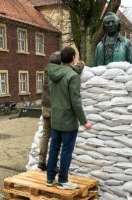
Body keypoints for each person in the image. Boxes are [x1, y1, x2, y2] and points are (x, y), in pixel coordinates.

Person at [46, 47, 91, 190]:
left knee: (53, 149)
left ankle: (50, 178)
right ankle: (63, 181)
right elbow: (76, 101)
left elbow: (67, 72)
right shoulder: (72, 76)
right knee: (66, 151)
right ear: (73, 59)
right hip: (68, 122)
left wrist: (78, 67)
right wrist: (84, 121)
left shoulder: (52, 73)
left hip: (56, 119)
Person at [38, 52, 85, 171]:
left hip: (45, 107)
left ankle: (41, 160)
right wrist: (80, 64)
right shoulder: (59, 73)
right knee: (57, 140)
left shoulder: (47, 71)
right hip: (55, 108)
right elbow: (73, 71)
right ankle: (53, 166)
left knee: (45, 134)